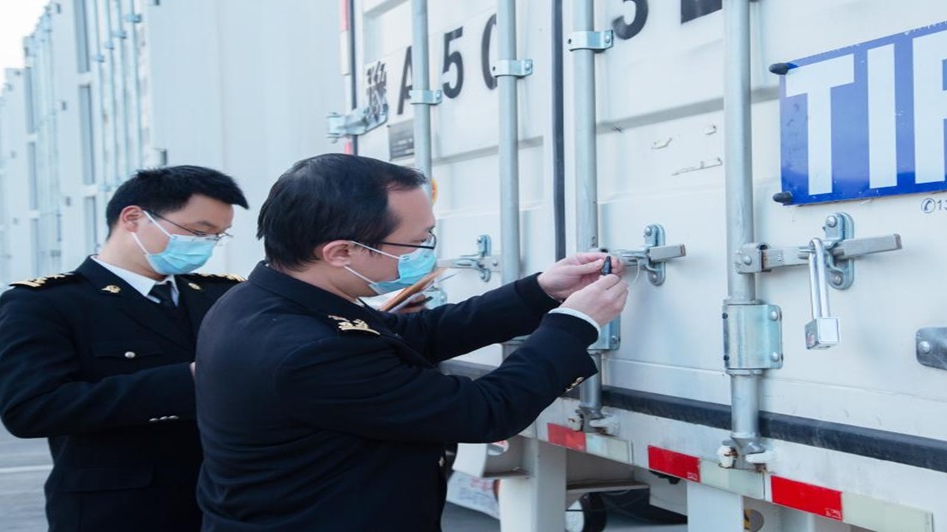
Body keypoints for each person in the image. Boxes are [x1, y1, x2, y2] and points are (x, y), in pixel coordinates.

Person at [195, 154, 628, 531]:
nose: (426, 252)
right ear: (341, 252)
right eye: (417, 242)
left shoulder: (267, 300)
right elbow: (482, 412)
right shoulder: (307, 349)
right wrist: (572, 325)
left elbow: (414, 335)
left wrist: (540, 291)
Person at [0, 166, 249, 531]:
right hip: (118, 510)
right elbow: (30, 409)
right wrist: (185, 380)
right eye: (198, 232)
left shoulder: (220, 294)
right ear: (133, 218)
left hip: (224, 504)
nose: (206, 245)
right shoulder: (46, 302)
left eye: (217, 236)